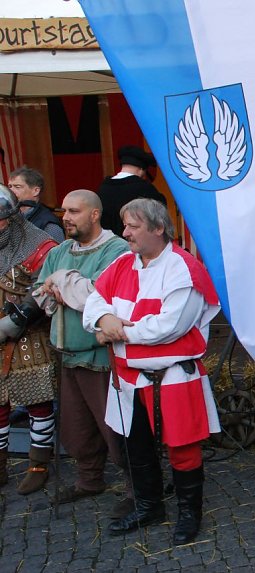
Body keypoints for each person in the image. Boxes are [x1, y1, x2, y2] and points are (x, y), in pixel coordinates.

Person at [82, 198, 221, 545]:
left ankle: (190, 515)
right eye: (125, 225)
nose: (125, 232)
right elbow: (94, 302)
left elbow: (168, 327)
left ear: (158, 228)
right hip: (129, 377)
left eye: (133, 226)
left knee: (183, 447)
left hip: (173, 375)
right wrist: (104, 319)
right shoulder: (122, 264)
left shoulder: (183, 269)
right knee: (136, 445)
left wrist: (115, 332)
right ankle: (149, 506)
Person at [32, 190, 130, 509]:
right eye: (64, 211)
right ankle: (90, 479)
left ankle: (137, 486)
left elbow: (98, 296)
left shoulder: (116, 250)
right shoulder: (59, 251)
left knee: (115, 426)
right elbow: (41, 293)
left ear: (94, 214)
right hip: (67, 352)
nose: (66, 218)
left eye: (74, 211)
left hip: (101, 355)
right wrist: (62, 288)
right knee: (76, 426)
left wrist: (64, 285)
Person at [0, 185, 58, 494]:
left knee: (38, 399)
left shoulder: (39, 245)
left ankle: (39, 463)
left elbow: (44, 287)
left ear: (12, 218)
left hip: (29, 335)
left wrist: (18, 318)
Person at [97, 145, 167, 238]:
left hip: (108, 245)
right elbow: (160, 213)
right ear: (142, 169)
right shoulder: (145, 188)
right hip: (135, 245)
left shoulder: (103, 188)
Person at [8, 166, 65, 244]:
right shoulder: (8, 218)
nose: (11, 191)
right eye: (10, 186)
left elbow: (56, 255)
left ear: (36, 191)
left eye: (17, 187)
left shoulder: (49, 225)